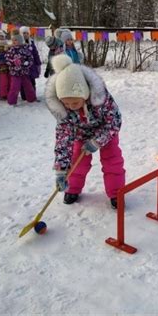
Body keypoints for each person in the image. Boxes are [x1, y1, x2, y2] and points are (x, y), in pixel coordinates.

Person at [45, 54, 125, 208]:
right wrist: (61, 171)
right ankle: (73, 189)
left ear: (85, 93)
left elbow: (114, 121)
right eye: (66, 102)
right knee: (77, 161)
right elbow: (63, 140)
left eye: (75, 101)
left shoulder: (101, 99)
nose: (71, 106)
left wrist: (98, 141)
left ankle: (117, 193)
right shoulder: (64, 112)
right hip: (81, 136)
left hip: (106, 134)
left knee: (112, 161)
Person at [5, 31, 36, 105]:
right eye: (13, 40)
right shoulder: (11, 49)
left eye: (15, 40)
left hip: (24, 72)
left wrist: (27, 63)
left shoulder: (26, 49)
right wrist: (13, 62)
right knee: (14, 88)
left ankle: (31, 99)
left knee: (28, 86)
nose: (14, 42)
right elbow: (7, 59)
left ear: (20, 40)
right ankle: (11, 102)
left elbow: (30, 58)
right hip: (15, 73)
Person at [19, 26, 42, 100]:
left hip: (32, 66)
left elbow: (35, 53)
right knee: (23, 82)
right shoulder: (18, 43)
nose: (25, 35)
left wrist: (38, 63)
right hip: (22, 66)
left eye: (27, 33)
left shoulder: (31, 43)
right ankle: (24, 96)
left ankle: (33, 95)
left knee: (32, 82)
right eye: (23, 33)